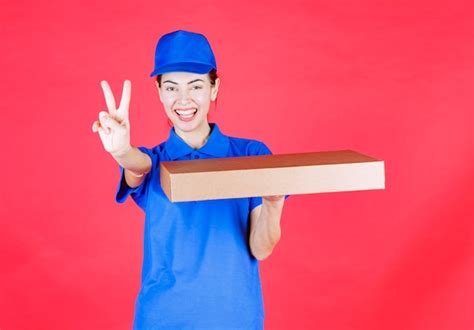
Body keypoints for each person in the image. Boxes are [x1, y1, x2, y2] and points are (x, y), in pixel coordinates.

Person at [91, 30, 288, 329]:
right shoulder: (154, 161)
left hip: (235, 319)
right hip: (162, 319)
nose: (183, 100)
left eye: (195, 86)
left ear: (214, 88)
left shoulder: (251, 154)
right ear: (158, 92)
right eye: (171, 88)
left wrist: (273, 203)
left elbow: (261, 249)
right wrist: (121, 151)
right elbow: (137, 165)